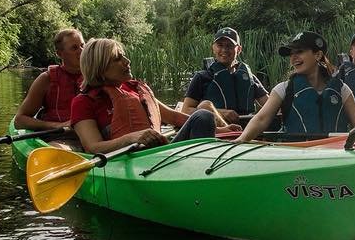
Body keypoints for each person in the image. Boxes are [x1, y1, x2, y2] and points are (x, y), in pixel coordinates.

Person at [70, 38, 239, 154]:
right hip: (128, 160)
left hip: (159, 154)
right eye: (117, 58)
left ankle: (206, 168)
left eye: (124, 55)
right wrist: (130, 138)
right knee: (203, 115)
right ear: (99, 67)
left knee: (203, 116)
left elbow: (173, 117)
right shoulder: (83, 102)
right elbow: (93, 147)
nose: (127, 61)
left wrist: (220, 129)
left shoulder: (134, 90)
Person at [236, 31, 355, 142]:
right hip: (298, 158)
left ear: (318, 55)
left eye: (299, 52)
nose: (294, 58)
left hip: (335, 156)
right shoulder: (283, 89)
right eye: (291, 54)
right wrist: (240, 141)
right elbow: (260, 120)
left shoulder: (342, 89)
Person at [181, 27, 269, 125]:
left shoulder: (249, 77)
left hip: (246, 128)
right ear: (213, 48)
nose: (224, 50)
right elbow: (185, 111)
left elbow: (269, 105)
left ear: (239, 49)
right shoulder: (202, 77)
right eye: (220, 45)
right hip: (216, 129)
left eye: (229, 46)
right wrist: (220, 113)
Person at [13, 28, 85, 131]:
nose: (81, 51)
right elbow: (19, 121)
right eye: (74, 48)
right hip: (60, 137)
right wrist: (58, 126)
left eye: (82, 45)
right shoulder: (46, 79)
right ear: (60, 54)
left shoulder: (95, 76)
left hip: (93, 137)